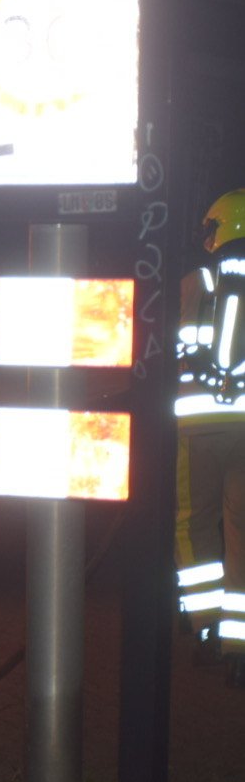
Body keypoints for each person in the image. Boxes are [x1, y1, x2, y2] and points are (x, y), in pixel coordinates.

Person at [173, 188, 245, 687]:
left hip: (200, 428)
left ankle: (204, 627)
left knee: (191, 527)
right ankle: (239, 642)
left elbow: (173, 348)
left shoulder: (194, 282)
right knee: (240, 531)